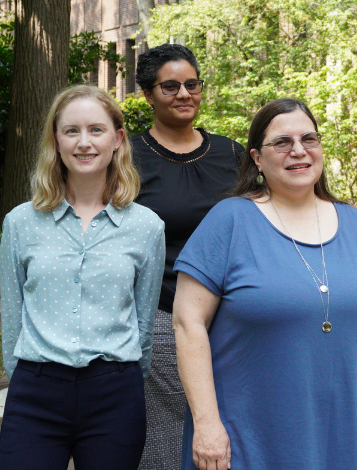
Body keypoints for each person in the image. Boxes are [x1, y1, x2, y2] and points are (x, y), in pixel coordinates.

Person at [172, 98, 357, 470]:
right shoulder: (230, 221)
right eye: (282, 142)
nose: (298, 151)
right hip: (247, 437)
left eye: (309, 139)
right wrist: (207, 423)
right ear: (257, 158)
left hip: (344, 431)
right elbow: (187, 323)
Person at [0, 85, 166, 470]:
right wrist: (25, 378)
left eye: (96, 130)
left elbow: (142, 323)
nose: (84, 142)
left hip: (114, 396)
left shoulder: (146, 228)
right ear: (55, 141)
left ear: (117, 139)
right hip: (35, 393)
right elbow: (12, 317)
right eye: (71, 130)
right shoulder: (21, 223)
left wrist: (121, 380)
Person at [131, 43, 243, 470]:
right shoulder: (129, 158)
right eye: (170, 86)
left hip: (233, 315)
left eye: (191, 84)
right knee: (168, 437)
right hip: (162, 314)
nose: (183, 94)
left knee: (228, 430)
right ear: (148, 94)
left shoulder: (232, 155)